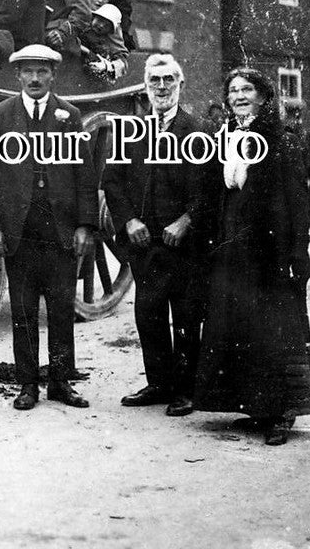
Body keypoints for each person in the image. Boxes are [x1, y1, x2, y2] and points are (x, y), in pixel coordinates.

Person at [194, 68, 310, 446]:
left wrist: (297, 253)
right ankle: (252, 405)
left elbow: (298, 202)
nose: (238, 95)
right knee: (241, 324)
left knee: (275, 329)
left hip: (270, 250)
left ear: (263, 97)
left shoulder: (283, 140)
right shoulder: (225, 137)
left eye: (247, 89)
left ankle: (282, 413)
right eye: (233, 90)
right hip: (233, 248)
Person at [0, 45, 98, 411]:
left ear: (52, 76)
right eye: (27, 72)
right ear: (17, 76)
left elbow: (85, 176)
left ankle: (60, 382)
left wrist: (84, 224)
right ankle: (27, 384)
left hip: (59, 228)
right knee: (25, 310)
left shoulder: (70, 116)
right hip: (20, 229)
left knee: (61, 308)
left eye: (41, 72)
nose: (34, 78)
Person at [103, 55, 207, 416]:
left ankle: (186, 389)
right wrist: (129, 220)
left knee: (186, 314)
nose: (161, 87)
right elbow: (112, 183)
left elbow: (210, 188)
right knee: (148, 313)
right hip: (144, 242)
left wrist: (187, 220)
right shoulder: (131, 131)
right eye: (154, 81)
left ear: (180, 84)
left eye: (168, 80)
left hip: (183, 243)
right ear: (145, 87)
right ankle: (159, 383)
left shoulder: (198, 131)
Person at [78, 4, 129, 81]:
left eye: (107, 25)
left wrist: (106, 66)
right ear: (94, 17)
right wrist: (87, 52)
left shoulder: (106, 41)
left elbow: (122, 63)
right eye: (100, 20)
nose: (101, 25)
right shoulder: (80, 24)